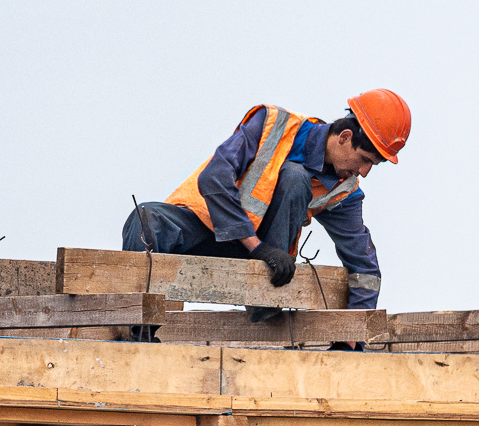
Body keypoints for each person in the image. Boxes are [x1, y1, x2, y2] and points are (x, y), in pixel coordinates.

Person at [122, 91, 411, 318]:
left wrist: (350, 341)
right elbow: (214, 178)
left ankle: (265, 306)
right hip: (213, 231)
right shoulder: (273, 125)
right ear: (345, 138)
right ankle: (138, 328)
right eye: (365, 160)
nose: (363, 172)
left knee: (294, 177)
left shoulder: (345, 189)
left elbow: (364, 267)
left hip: (267, 267)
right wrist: (256, 246)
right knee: (146, 218)